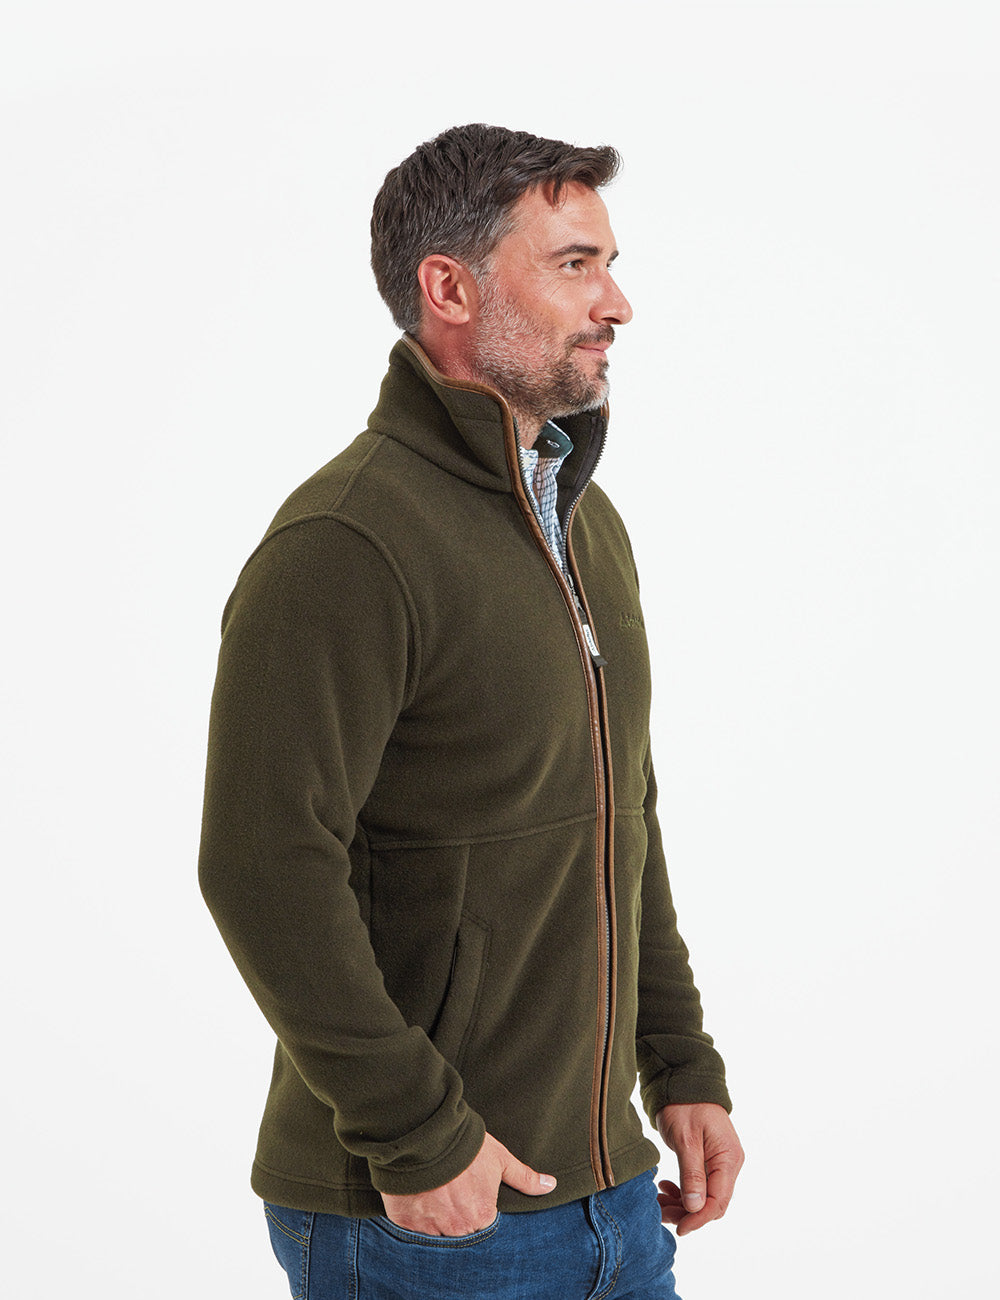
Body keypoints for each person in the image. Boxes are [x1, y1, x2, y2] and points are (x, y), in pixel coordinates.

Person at [199, 122, 744, 1300]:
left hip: (613, 1195)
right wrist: (416, 1133)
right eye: (573, 265)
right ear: (447, 289)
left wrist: (680, 1063)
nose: (616, 303)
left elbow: (621, 816)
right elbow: (261, 862)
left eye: (608, 264)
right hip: (430, 1213)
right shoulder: (346, 541)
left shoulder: (584, 524)